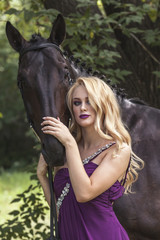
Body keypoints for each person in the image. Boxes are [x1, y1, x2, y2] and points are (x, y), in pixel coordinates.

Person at [37, 76, 144, 240]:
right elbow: (60, 210)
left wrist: (70, 144)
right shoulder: (67, 148)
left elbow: (84, 193)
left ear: (103, 104)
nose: (83, 108)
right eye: (77, 102)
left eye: (89, 101)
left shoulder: (118, 150)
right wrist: (42, 177)